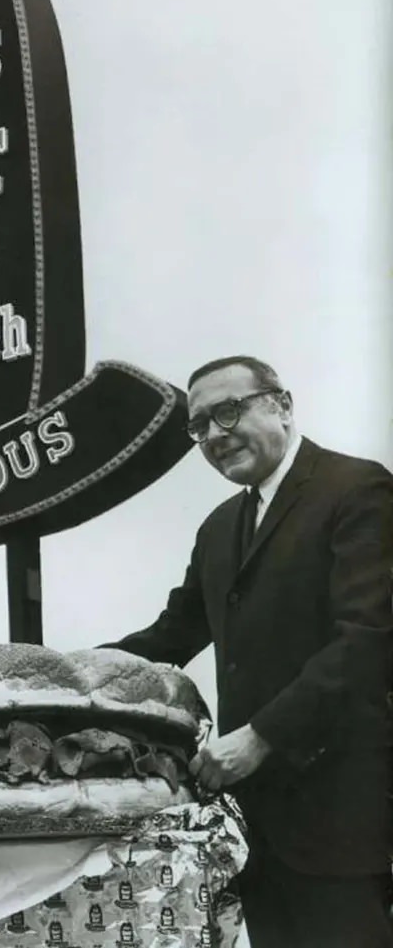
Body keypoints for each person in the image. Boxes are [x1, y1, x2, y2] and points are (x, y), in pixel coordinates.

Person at [100, 356, 393, 948]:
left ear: (282, 406)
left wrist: (260, 735)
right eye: (199, 424)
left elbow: (369, 640)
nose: (212, 435)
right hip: (253, 827)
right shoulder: (217, 527)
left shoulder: (358, 488)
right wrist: (65, 671)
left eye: (228, 411)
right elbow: (170, 637)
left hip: (340, 818)